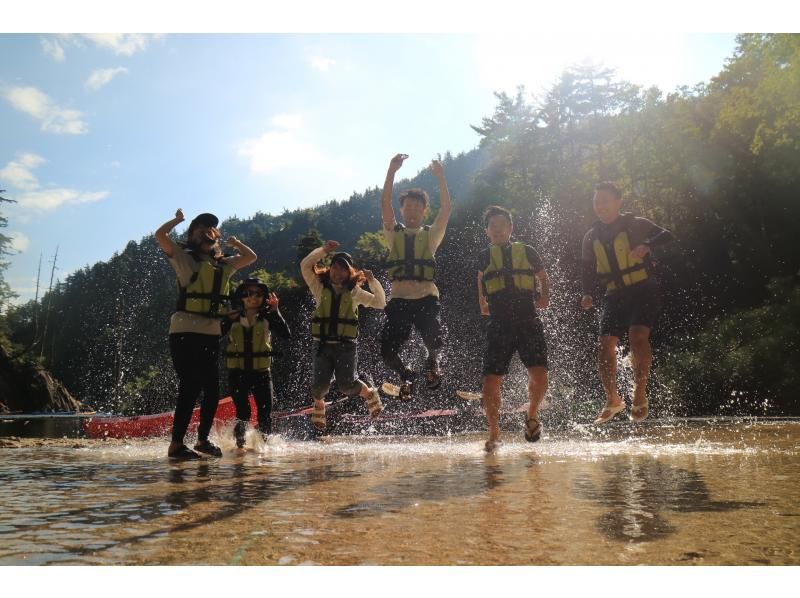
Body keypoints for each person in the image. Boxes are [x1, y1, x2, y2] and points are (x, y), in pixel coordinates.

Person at [155, 209, 257, 460]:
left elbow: (251, 256)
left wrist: (235, 244)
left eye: (210, 229)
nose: (206, 233)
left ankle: (202, 440)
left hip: (210, 333)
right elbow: (160, 234)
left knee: (211, 389)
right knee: (190, 385)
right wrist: (177, 222)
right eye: (200, 229)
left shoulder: (224, 266)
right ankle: (176, 444)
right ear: (191, 235)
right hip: (183, 331)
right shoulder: (183, 258)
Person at [580, 182, 675, 424]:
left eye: (605, 201)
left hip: (643, 289)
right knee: (604, 345)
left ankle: (639, 393)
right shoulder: (591, 236)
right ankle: (612, 398)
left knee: (637, 337)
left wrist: (647, 245)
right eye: (596, 202)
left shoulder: (636, 224)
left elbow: (667, 235)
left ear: (618, 201)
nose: (600, 206)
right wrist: (587, 293)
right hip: (614, 294)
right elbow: (587, 269)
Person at [476, 206, 550, 452]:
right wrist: (482, 302)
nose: (497, 229)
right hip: (499, 325)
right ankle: (494, 431)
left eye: (502, 225)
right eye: (493, 226)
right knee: (490, 381)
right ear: (487, 231)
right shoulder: (484, 257)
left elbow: (543, 276)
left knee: (539, 374)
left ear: (510, 228)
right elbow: (480, 281)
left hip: (528, 321)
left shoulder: (527, 251)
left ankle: (531, 414)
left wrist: (544, 296)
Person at [380, 154, 452, 400]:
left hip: (425, 299)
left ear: (423, 211)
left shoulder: (431, 236)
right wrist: (391, 171)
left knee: (435, 341)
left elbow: (446, 210)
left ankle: (432, 364)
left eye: (416, 207)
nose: (411, 211)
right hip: (399, 301)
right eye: (407, 207)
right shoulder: (393, 234)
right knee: (387, 353)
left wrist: (441, 178)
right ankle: (406, 375)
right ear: (402, 209)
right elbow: (384, 206)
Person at [300, 239, 386, 431]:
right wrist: (323, 250)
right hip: (322, 344)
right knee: (319, 387)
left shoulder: (355, 292)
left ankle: (370, 393)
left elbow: (380, 303)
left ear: (350, 273)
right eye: (335, 268)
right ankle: (319, 404)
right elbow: (305, 265)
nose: (338, 273)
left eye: (343, 269)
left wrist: (373, 281)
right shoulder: (319, 287)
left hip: (346, 346)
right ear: (329, 269)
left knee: (346, 385)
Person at [224, 277, 291, 449]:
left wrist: (276, 311)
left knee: (265, 414)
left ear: (264, 297)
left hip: (261, 373)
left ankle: (264, 449)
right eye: (248, 293)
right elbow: (216, 335)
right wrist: (225, 320)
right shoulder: (232, 317)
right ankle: (239, 448)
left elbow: (285, 334)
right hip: (237, 373)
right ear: (241, 296)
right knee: (243, 413)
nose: (253, 297)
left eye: (258, 294)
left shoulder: (268, 317)